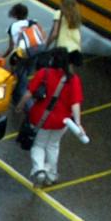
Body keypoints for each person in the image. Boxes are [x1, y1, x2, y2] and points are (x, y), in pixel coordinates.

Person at [22, 51, 87, 187]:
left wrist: (19, 106)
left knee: (39, 145)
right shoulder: (73, 80)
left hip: (40, 118)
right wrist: (78, 123)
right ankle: (51, 175)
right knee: (53, 145)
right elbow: (75, 103)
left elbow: (28, 93)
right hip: (61, 121)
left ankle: (39, 169)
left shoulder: (44, 73)